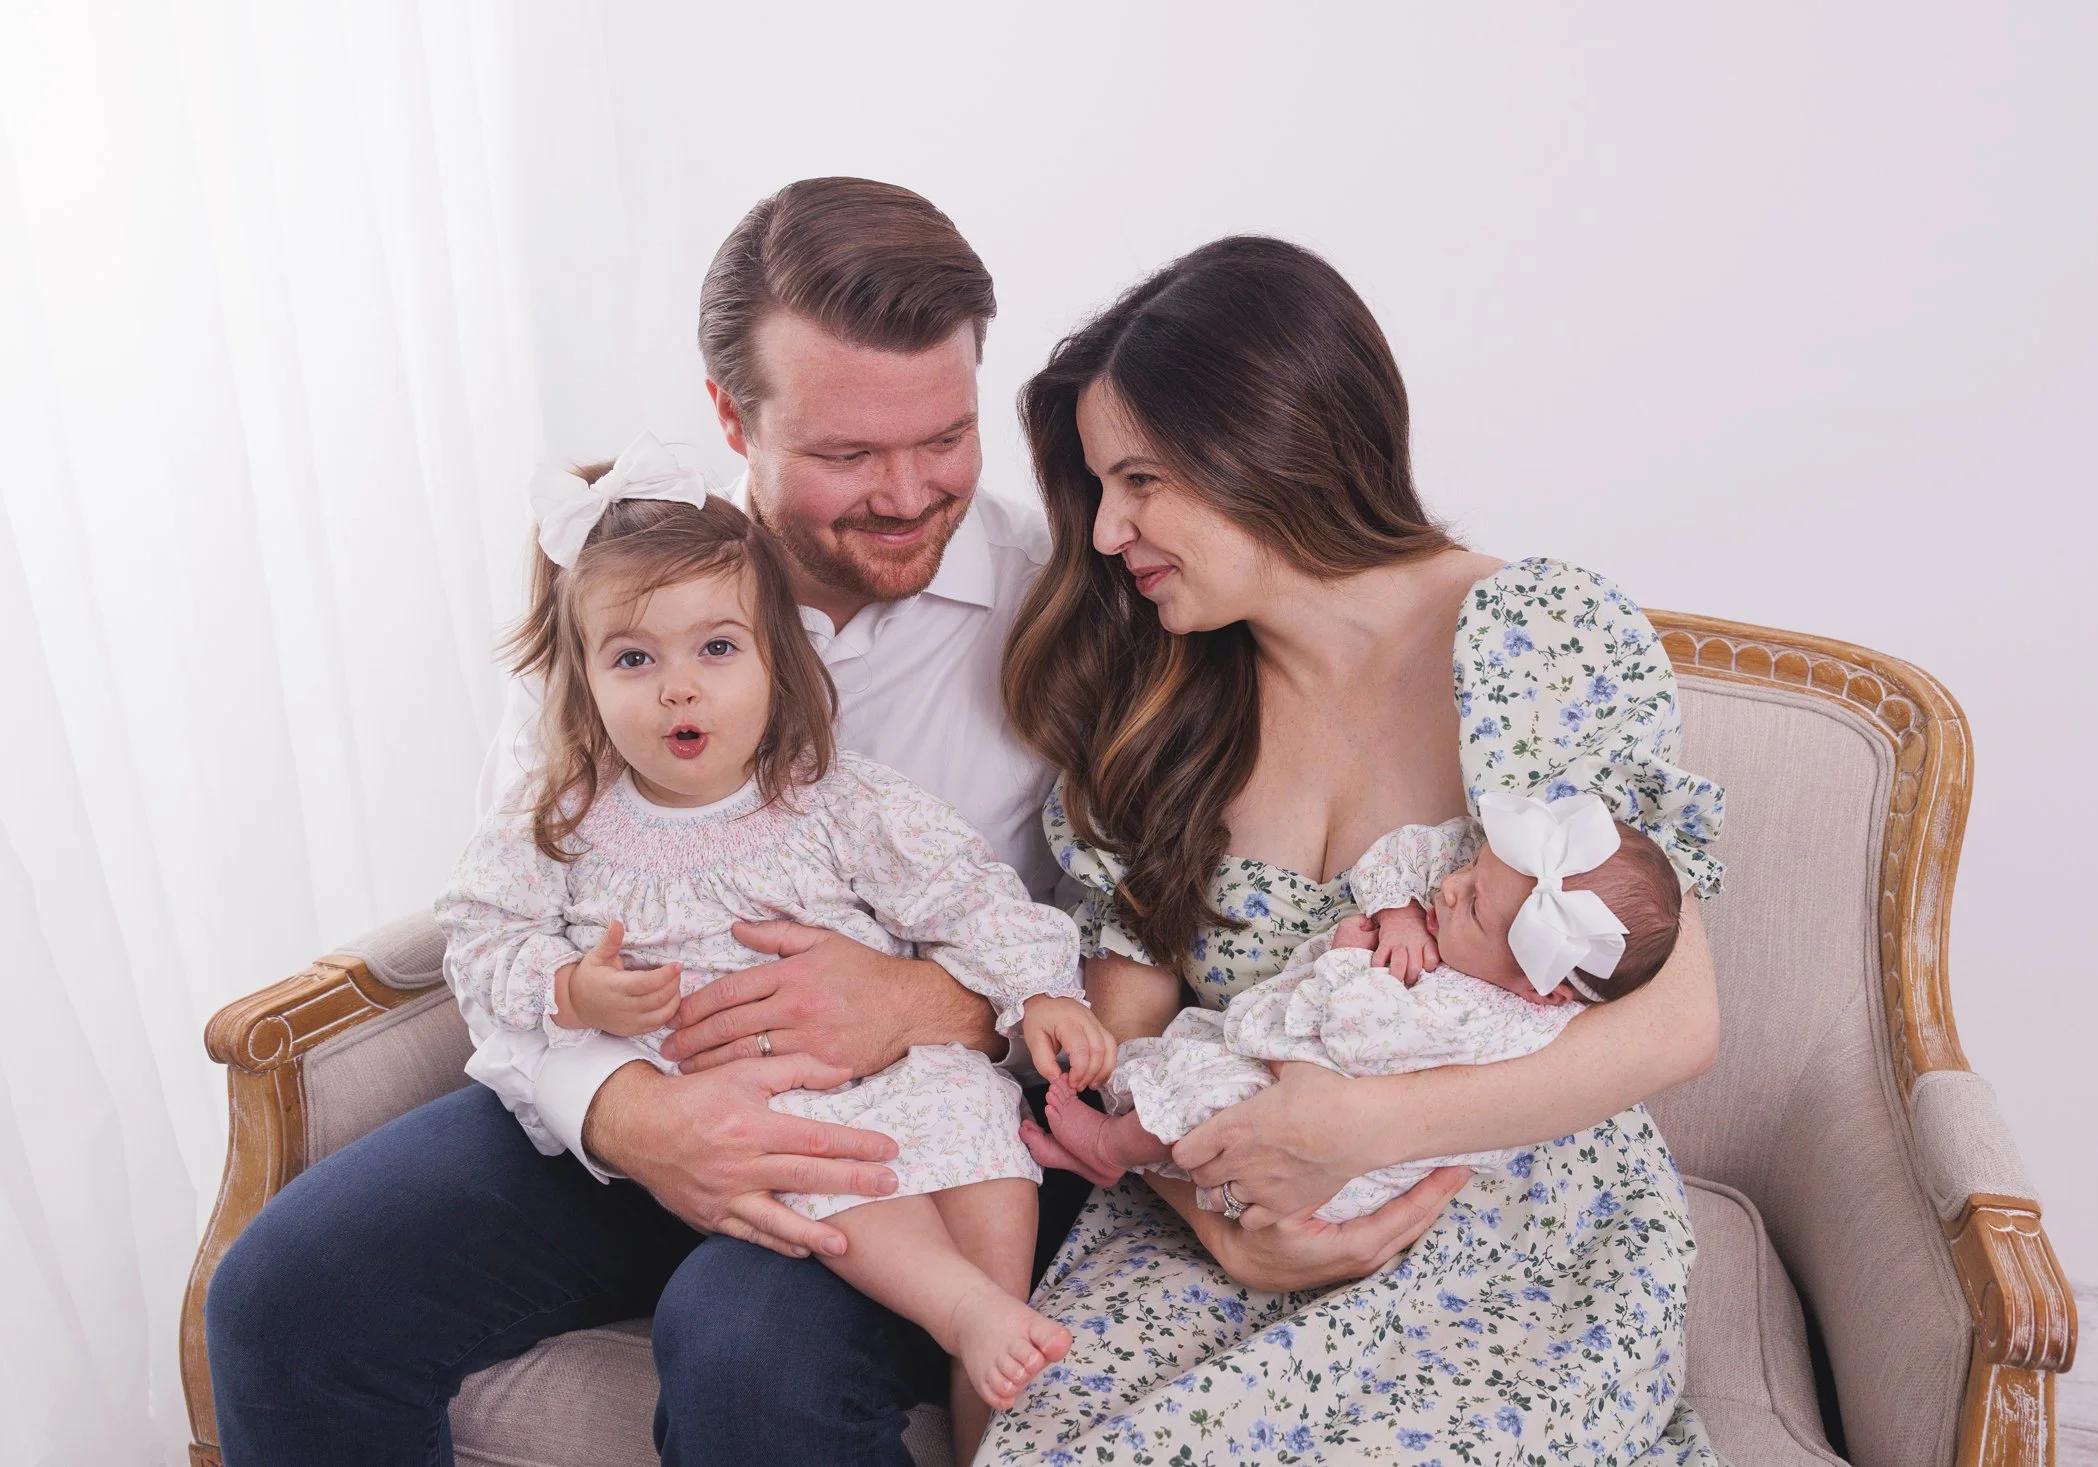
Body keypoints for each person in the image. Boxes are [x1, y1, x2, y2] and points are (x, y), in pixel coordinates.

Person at [204, 177, 1106, 1467]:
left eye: (944, 439)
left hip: (902, 1123)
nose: (908, 494)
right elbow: (511, 906)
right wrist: (622, 1110)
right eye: (848, 454)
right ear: (730, 416)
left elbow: (1121, 945)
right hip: (633, 1083)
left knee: (749, 1360)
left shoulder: (1064, 610)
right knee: (285, 1299)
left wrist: (930, 1005)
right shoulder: (617, 596)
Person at [983, 235, 1729, 1462]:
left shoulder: (1527, 640)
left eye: (1140, 480)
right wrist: (1220, 1213)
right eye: (1096, 490)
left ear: (1264, 440)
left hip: (1502, 1220)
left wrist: (1359, 1134)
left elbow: (1675, 1023)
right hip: (1226, 1205)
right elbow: (1119, 1052)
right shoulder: (1158, 708)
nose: (1110, 532)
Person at [438, 451, 1119, 1455]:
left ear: (773, 659)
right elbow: (482, 937)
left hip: (890, 1063)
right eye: (634, 660)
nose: (680, 691)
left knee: (986, 1148)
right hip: (754, 1098)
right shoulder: (565, 823)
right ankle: (965, 1313)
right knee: (830, 1168)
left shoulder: (834, 799)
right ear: (580, 679)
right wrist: (571, 989)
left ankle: (995, 1413)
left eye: (716, 648)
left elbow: (967, 892)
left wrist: (1039, 994)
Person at [1025, 794, 1685, 1221]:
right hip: (1302, 1067)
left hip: (1346, 1157)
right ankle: (1126, 1120)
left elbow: (1351, 1035)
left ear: (1540, 990)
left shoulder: (1478, 1016)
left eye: (1475, 906)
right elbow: (1414, 851)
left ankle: (1113, 1146)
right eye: (1473, 870)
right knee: (1192, 1055)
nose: (1450, 888)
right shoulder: (1490, 918)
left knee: (1219, 1094)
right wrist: (1395, 910)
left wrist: (1349, 954)